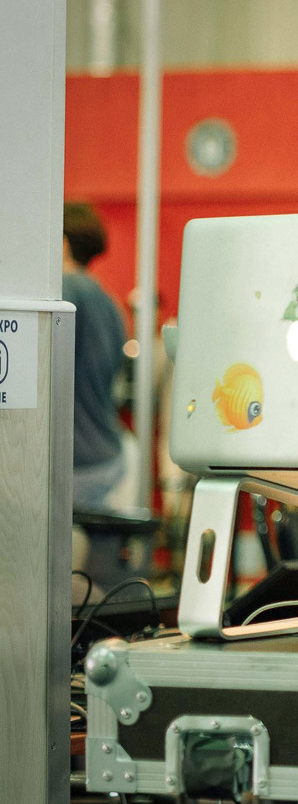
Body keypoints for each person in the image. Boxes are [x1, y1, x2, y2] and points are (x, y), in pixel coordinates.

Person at [63, 201, 137, 586]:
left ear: (61, 244)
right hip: (108, 456)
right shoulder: (109, 302)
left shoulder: (63, 293)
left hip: (75, 463)